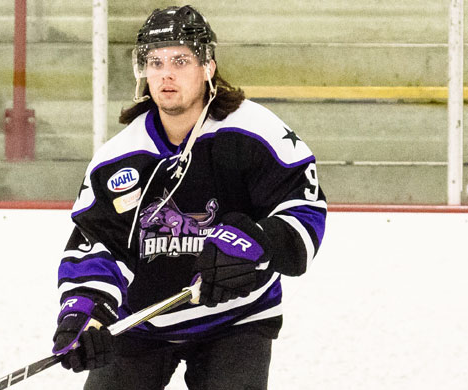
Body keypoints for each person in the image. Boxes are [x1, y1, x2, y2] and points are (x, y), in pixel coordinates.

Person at [52, 5, 327, 389]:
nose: (166, 73)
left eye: (181, 60)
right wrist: (83, 310)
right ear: (142, 71)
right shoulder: (117, 158)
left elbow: (303, 208)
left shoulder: (254, 131)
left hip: (236, 319)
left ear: (208, 67)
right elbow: (96, 243)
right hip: (141, 322)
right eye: (155, 61)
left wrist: (257, 242)